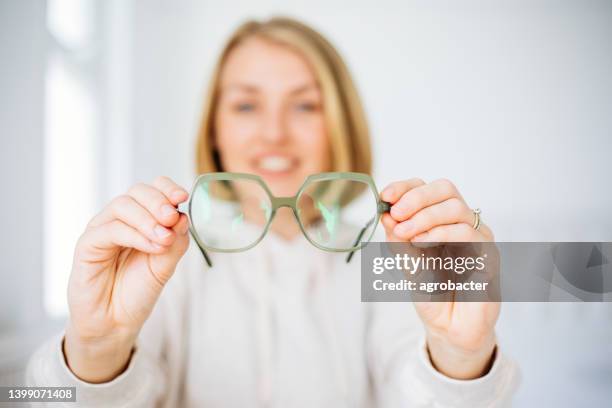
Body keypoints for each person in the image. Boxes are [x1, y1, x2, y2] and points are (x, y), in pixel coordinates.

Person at [27, 17, 519, 407]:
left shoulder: (391, 258)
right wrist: (97, 346)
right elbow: (44, 398)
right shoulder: (159, 262)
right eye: (246, 106)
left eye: (304, 106)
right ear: (214, 129)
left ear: (339, 125)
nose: (274, 133)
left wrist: (461, 354)